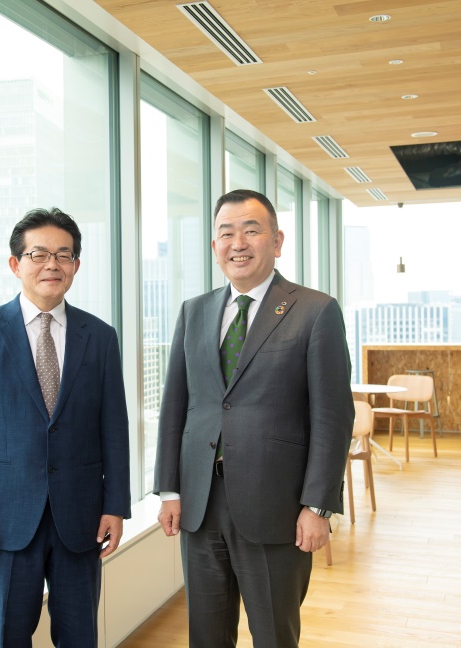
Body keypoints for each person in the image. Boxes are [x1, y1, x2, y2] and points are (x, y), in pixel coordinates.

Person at [154, 189, 353, 647]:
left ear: (277, 241)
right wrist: (169, 489)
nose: (238, 243)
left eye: (251, 230)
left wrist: (317, 506)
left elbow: (332, 417)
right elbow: (176, 406)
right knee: (207, 636)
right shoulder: (194, 311)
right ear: (214, 247)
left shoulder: (315, 310)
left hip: (277, 507)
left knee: (273, 636)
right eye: (226, 233)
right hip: (201, 505)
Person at [0, 207, 130, 648]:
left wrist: (116, 505)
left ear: (76, 266)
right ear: (16, 264)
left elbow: (114, 429)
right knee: (7, 636)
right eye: (39, 254)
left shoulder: (100, 336)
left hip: (81, 518)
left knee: (80, 636)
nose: (52, 264)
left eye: (64, 255)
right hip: (3, 523)